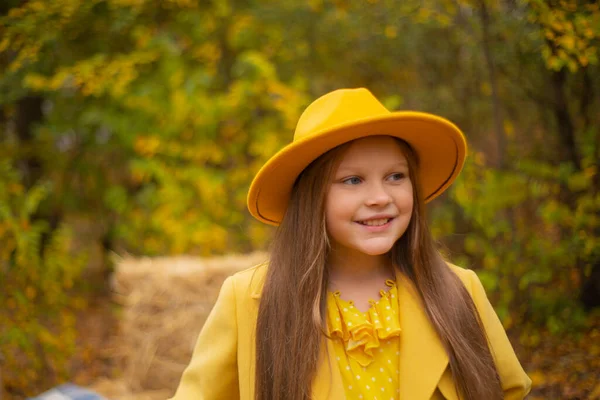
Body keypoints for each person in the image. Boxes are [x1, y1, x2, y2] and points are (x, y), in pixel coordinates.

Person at [170, 88, 532, 400]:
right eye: (353, 180)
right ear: (311, 198)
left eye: (395, 176)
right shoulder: (249, 300)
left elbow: (508, 390)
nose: (379, 197)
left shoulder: (458, 290)